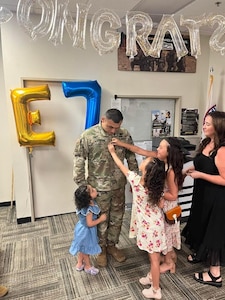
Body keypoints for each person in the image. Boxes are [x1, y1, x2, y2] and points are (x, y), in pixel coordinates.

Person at [73, 108, 139, 267]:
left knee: (117, 217)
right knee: (101, 219)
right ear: (103, 120)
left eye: (116, 127)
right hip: (97, 188)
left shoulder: (124, 134)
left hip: (118, 186)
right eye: (110, 127)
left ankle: (112, 245)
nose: (113, 131)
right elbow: (79, 158)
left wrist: (134, 179)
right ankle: (101, 248)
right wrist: (82, 185)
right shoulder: (88, 136)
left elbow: (131, 155)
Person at [112, 137, 184, 273]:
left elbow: (173, 195)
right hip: (156, 201)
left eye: (161, 147)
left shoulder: (170, 170)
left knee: (167, 235)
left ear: (169, 152)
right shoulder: (157, 160)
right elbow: (139, 150)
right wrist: (120, 143)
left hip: (166, 205)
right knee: (161, 235)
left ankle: (169, 262)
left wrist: (155, 192)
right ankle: (167, 257)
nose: (157, 149)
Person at [108, 142, 166, 299]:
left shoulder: (136, 181)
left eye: (146, 161)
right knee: (153, 256)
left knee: (154, 260)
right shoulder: (157, 186)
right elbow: (161, 204)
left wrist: (113, 152)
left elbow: (121, 165)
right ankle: (150, 277)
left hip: (148, 228)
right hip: (157, 226)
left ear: (146, 171)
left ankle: (155, 290)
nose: (144, 160)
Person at [182, 111, 225, 288]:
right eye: (204, 123)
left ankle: (215, 275)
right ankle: (200, 254)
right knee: (201, 223)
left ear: (219, 127)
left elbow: (224, 179)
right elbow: (200, 162)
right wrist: (185, 170)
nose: (204, 126)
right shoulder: (206, 142)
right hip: (202, 194)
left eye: (208, 123)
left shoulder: (222, 150)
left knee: (213, 231)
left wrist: (200, 174)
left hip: (217, 197)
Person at [69, 185, 107, 275]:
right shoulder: (89, 210)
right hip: (86, 231)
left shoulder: (88, 204)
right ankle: (88, 266)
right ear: (88, 198)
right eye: (92, 190)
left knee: (83, 247)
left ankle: (79, 263)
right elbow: (89, 224)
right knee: (86, 250)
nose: (95, 189)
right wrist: (101, 219)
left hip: (81, 229)